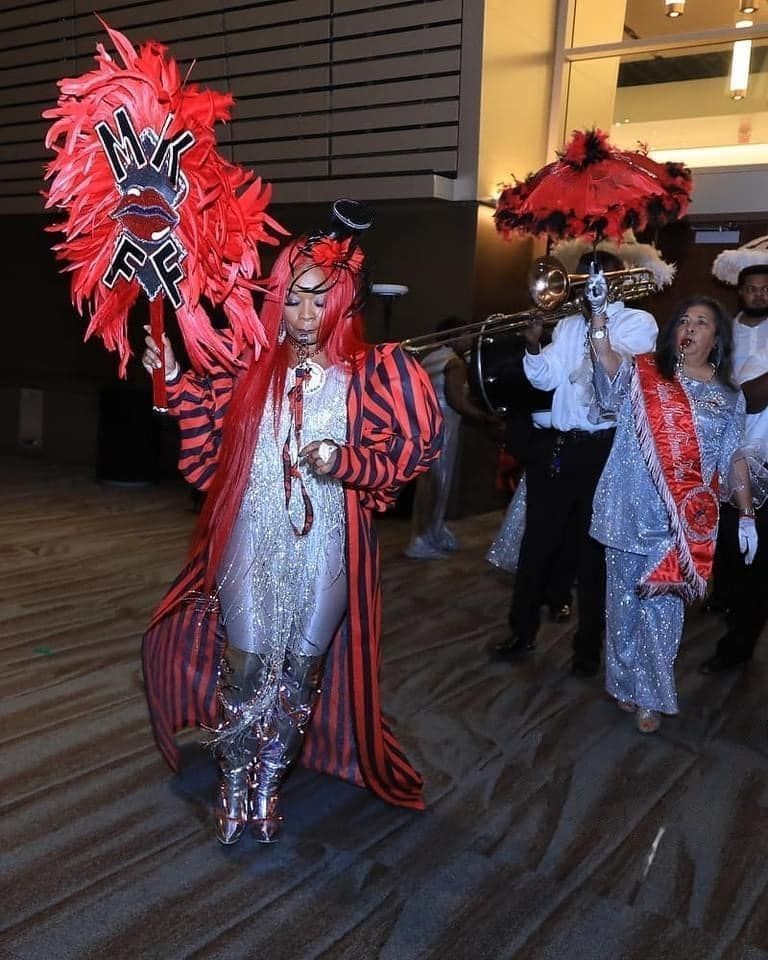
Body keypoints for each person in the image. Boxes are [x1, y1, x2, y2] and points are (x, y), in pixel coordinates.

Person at [140, 200, 444, 845]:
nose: (306, 314)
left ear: (345, 302)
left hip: (331, 541)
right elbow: (206, 459)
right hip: (251, 534)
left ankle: (269, 783)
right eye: (295, 298)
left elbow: (415, 448)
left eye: (321, 299)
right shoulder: (248, 368)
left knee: (300, 674)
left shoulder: (377, 369)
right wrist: (170, 375)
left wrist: (345, 459)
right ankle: (232, 781)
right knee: (246, 668)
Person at [589, 293, 757, 733]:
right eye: (684, 320)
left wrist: (746, 513)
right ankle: (623, 683)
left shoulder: (728, 396)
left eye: (701, 322)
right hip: (625, 507)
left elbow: (732, 457)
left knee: (664, 610)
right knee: (623, 605)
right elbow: (606, 367)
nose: (690, 327)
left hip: (680, 520)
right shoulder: (644, 372)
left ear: (717, 337)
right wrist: (599, 319)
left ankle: (651, 696)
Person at [492, 250, 658, 675]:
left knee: (593, 553)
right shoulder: (566, 324)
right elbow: (544, 377)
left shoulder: (637, 322)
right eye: (580, 277)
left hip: (606, 451)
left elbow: (612, 376)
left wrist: (599, 318)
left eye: (594, 277)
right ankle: (521, 631)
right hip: (560, 446)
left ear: (617, 280)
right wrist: (532, 344)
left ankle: (587, 650)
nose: (584, 284)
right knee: (537, 544)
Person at [700, 264, 768, 673]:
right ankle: (726, 599)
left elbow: (754, 400)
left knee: (757, 553)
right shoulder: (724, 331)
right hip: (726, 450)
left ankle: (738, 644)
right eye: (752, 289)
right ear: (739, 291)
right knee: (727, 537)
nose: (759, 295)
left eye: (766, 289)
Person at [406, 316, 499, 559]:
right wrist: (484, 417)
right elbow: (457, 400)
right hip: (443, 426)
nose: (470, 339)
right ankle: (423, 539)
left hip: (424, 425)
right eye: (467, 334)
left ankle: (431, 533)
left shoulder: (430, 357)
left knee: (428, 484)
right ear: (455, 336)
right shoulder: (454, 363)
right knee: (438, 483)